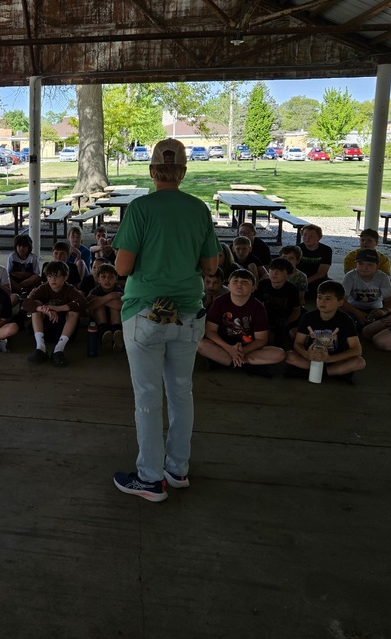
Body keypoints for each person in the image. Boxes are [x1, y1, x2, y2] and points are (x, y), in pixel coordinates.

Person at [111, 138, 220, 502]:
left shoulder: (140, 209)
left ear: (152, 169)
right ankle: (177, 469)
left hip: (145, 311)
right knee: (181, 392)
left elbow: (123, 266)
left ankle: (149, 478)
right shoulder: (198, 209)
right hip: (189, 312)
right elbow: (210, 266)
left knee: (147, 396)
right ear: (183, 171)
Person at [197, 269, 286, 376]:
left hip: (247, 347)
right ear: (228, 285)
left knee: (280, 354)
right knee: (199, 344)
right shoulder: (219, 302)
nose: (239, 284)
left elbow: (261, 339)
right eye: (235, 281)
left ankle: (225, 362)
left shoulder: (258, 307)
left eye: (244, 282)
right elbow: (210, 331)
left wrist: (241, 351)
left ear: (253, 288)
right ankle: (247, 365)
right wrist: (230, 349)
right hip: (223, 345)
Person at [285, 280, 366, 383]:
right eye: (319, 298)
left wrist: (329, 359)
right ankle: (332, 373)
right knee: (289, 355)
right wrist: (307, 354)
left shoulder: (346, 320)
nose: (322, 302)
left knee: (359, 362)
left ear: (340, 302)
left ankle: (319, 372)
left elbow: (356, 350)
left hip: (335, 359)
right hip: (312, 358)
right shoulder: (308, 317)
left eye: (328, 299)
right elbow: (298, 343)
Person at [23, 260, 87, 366]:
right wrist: (42, 309)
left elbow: (83, 302)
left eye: (56, 276)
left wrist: (60, 308)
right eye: (49, 276)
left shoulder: (69, 289)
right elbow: (26, 303)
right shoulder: (43, 287)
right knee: (36, 305)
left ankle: (58, 350)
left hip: (65, 331)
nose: (52, 280)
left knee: (74, 311)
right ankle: (40, 348)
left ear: (65, 277)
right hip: (46, 329)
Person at [340, 249, 391, 329]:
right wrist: (357, 312)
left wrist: (384, 310)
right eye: (361, 264)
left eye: (370, 265)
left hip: (376, 310)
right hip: (352, 308)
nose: (365, 268)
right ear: (356, 264)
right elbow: (341, 300)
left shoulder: (383, 277)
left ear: (377, 266)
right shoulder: (350, 276)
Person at [255, 257, 303, 346]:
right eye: (272, 269)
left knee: (294, 334)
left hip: (286, 317)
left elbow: (296, 311)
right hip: (268, 316)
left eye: (280, 271)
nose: (274, 273)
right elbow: (255, 306)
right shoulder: (263, 285)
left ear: (288, 275)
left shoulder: (292, 289)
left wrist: (286, 324)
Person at [87, 262, 124, 350]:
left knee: (113, 308)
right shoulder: (95, 290)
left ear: (116, 279)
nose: (107, 280)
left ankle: (117, 333)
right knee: (99, 307)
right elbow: (89, 305)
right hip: (99, 321)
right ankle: (104, 333)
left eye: (111, 277)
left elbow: (121, 305)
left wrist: (101, 300)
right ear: (98, 280)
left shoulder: (118, 290)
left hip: (115, 320)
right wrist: (110, 297)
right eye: (103, 277)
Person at [297, 224, 333, 297]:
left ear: (319, 238)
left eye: (311, 236)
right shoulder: (297, 249)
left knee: (331, 288)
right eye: (305, 235)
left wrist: (305, 282)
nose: (307, 238)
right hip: (299, 278)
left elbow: (321, 274)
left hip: (317, 279)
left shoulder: (326, 250)